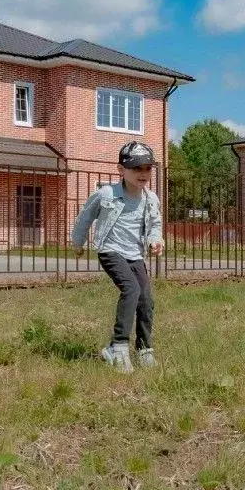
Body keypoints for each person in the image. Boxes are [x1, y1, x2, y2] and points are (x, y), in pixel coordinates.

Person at [71, 141, 165, 373]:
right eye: (137, 168)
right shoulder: (107, 194)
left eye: (147, 168)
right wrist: (77, 242)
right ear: (121, 170)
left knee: (146, 300)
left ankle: (144, 349)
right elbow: (85, 216)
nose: (143, 173)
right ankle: (118, 347)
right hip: (110, 250)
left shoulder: (151, 199)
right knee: (131, 289)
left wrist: (156, 239)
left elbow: (155, 224)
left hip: (135, 255)